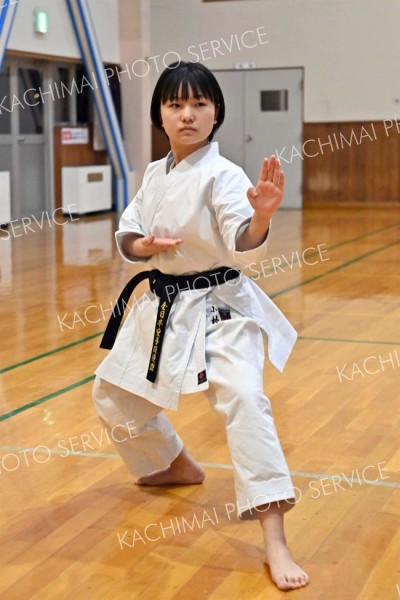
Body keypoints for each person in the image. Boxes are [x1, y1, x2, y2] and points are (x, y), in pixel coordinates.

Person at [92, 61, 309, 591]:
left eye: (199, 104)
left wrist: (260, 218)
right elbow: (128, 231)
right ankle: (177, 464)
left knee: (243, 399)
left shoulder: (225, 175)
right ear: (159, 115)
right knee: (112, 393)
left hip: (221, 306)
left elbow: (241, 237)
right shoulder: (153, 173)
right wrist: (141, 247)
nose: (187, 114)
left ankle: (275, 537)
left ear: (216, 114)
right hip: (164, 303)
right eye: (175, 105)